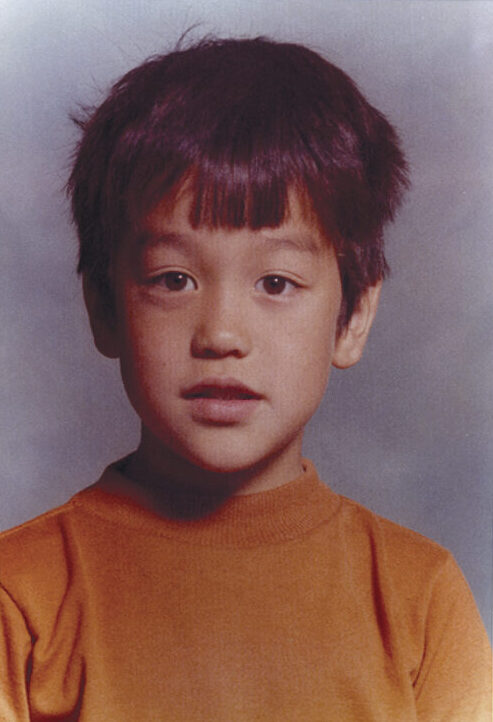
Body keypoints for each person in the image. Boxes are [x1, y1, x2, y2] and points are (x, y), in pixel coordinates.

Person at [0, 37, 490, 721]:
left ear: (351, 316)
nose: (221, 335)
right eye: (174, 279)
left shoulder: (419, 597)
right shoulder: (19, 595)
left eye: (276, 282)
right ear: (104, 307)